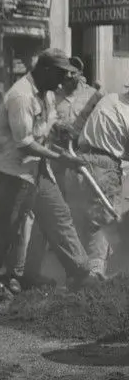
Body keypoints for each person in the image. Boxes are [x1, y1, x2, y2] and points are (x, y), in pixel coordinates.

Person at [0, 48, 97, 301]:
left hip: (36, 169)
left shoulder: (47, 93)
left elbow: (47, 128)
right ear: (44, 70)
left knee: (59, 215)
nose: (62, 81)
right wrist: (60, 158)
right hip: (11, 170)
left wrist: (61, 132)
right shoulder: (21, 96)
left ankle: (80, 272)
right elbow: (24, 143)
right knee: (8, 227)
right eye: (59, 74)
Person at [64, 89, 129, 276]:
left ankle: (77, 277)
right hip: (103, 167)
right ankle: (95, 278)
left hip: (77, 160)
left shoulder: (110, 98)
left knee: (80, 225)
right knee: (102, 225)